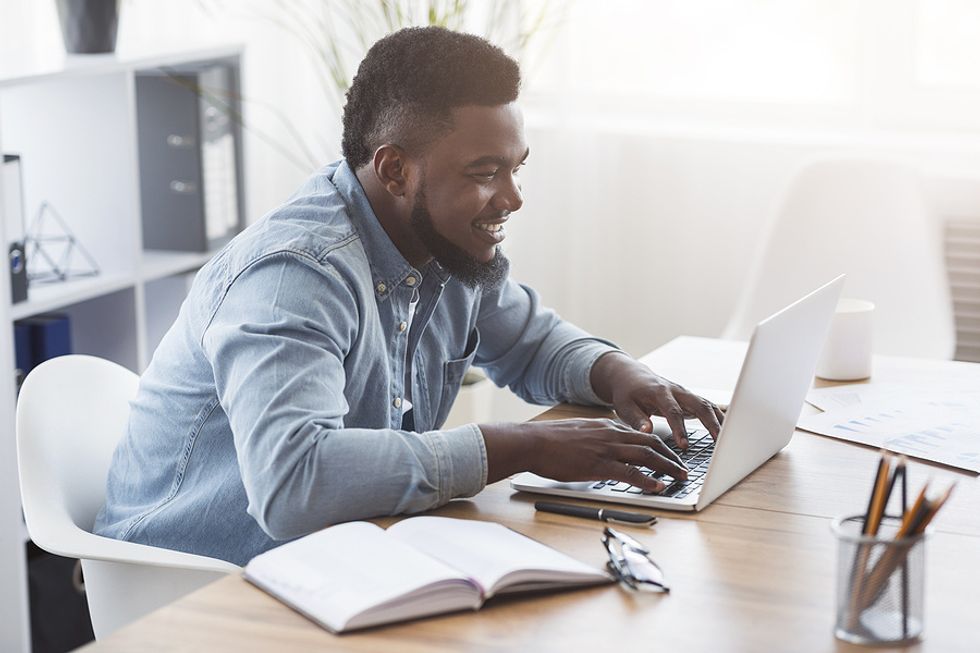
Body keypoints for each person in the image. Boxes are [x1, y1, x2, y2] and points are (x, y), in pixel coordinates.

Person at [95, 27, 724, 566]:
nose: (512, 198)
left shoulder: (444, 245)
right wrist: (524, 446)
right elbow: (294, 483)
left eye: (515, 167)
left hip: (345, 557)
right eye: (484, 173)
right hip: (201, 587)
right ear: (395, 169)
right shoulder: (294, 276)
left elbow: (529, 342)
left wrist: (618, 373)